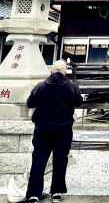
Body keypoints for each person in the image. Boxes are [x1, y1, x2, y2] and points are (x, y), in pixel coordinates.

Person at [25, 60, 83, 203]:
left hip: (43, 128)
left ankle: (34, 194)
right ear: (65, 71)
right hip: (63, 129)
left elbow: (30, 102)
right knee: (60, 160)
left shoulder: (41, 86)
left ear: (51, 71)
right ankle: (56, 192)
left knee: (39, 160)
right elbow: (79, 102)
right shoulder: (71, 86)